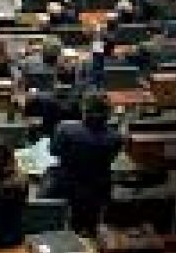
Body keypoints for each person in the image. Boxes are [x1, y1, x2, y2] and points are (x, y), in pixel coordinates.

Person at [47, 92, 122, 234]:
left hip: (68, 185)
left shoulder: (65, 129)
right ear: (108, 114)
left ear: (84, 111)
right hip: (99, 188)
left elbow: (54, 151)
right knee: (90, 223)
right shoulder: (116, 137)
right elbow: (111, 158)